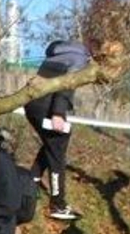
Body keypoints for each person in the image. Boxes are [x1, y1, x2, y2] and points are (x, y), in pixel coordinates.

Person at [24, 39, 89, 221]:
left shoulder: (60, 54)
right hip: (48, 106)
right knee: (57, 152)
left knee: (51, 145)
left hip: (33, 104)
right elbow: (66, 85)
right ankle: (57, 204)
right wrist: (58, 113)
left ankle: (31, 183)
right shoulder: (79, 59)